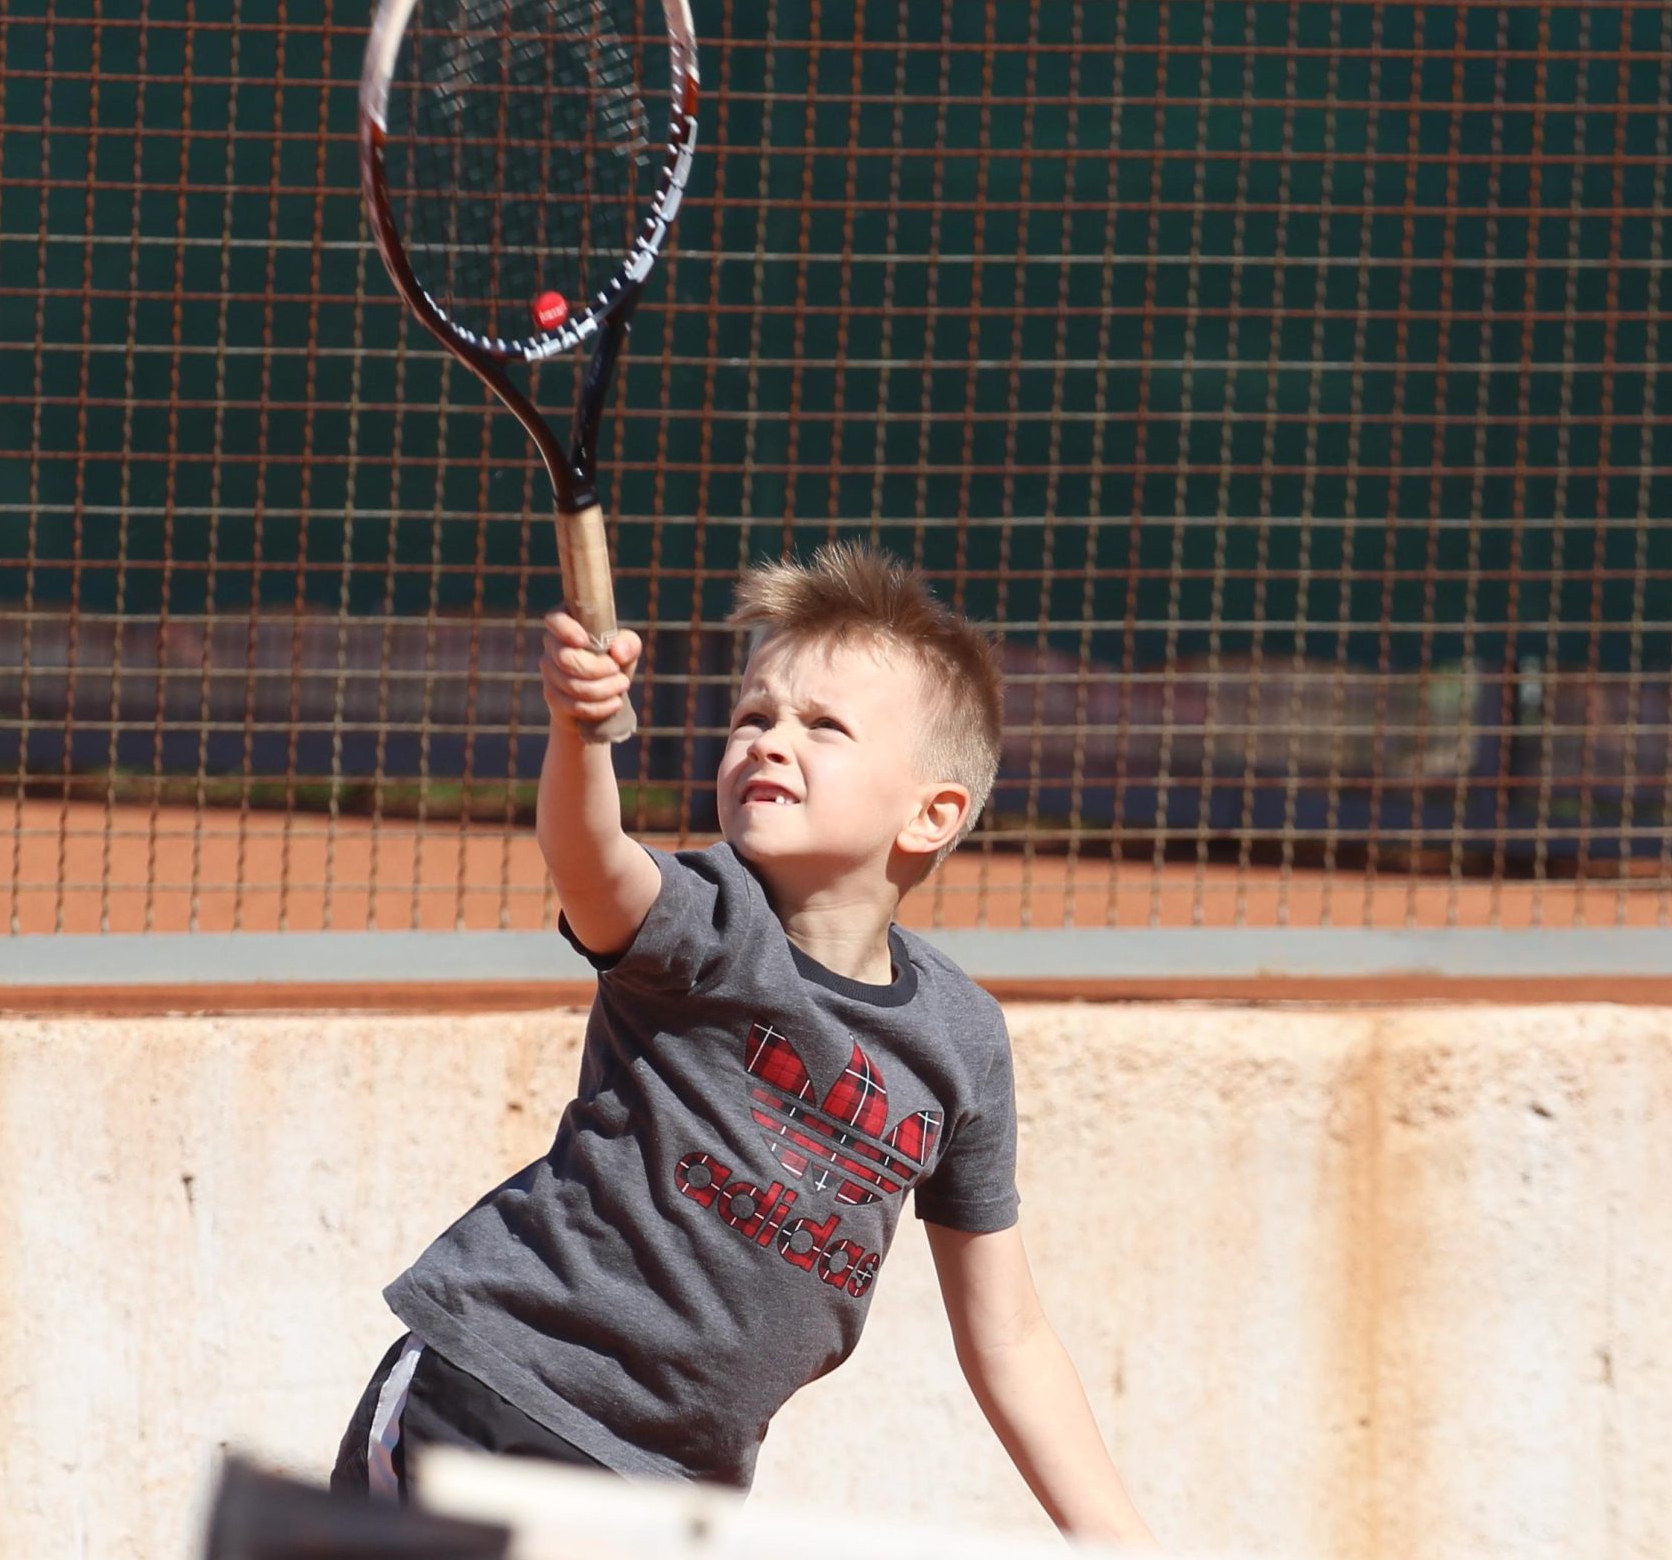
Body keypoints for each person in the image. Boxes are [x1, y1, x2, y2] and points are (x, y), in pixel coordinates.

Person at [333, 540, 1156, 1545]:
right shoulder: (706, 923)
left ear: (932, 813)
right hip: (496, 1397)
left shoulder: (960, 1040)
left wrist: (1119, 1539)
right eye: (752, 718)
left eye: (823, 726)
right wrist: (578, 733)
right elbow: (590, 860)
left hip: (671, 1488)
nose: (768, 741)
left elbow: (1010, 1332)